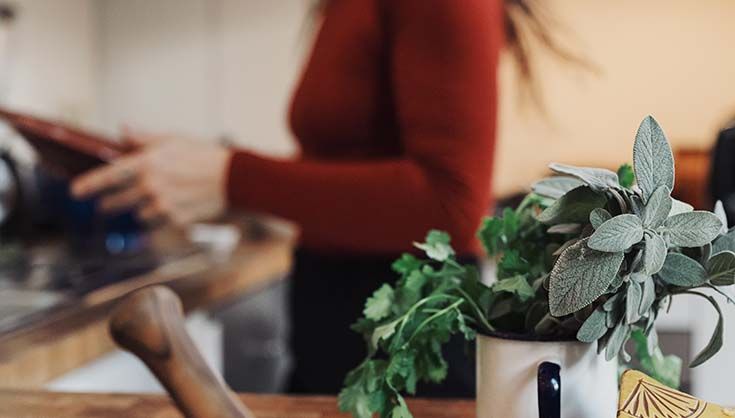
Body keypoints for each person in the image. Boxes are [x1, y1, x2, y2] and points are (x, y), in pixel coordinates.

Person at [72, 0, 561, 395]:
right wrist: (208, 180)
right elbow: (349, 165)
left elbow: (450, 204)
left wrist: (231, 177)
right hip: (336, 339)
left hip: (405, 356)